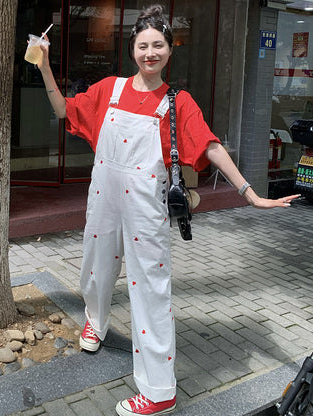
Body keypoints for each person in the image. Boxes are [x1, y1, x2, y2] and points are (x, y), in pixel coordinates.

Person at [37, 5, 300, 415]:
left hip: (146, 208)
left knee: (151, 292)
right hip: (103, 196)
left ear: (169, 50)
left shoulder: (178, 101)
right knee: (95, 265)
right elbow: (62, 110)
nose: (150, 53)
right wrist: (44, 66)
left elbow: (210, 145)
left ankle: (160, 393)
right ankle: (96, 319)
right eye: (143, 46)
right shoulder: (110, 89)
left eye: (158, 45)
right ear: (132, 50)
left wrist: (249, 193)